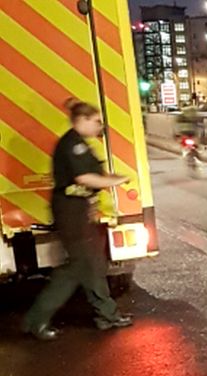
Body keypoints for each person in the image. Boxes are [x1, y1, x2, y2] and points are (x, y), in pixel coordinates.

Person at [21, 99, 133, 341]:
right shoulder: (73, 145)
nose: (99, 126)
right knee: (75, 269)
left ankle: (107, 315)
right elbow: (84, 178)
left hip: (79, 211)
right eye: (95, 122)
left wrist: (110, 179)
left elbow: (93, 175)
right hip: (71, 213)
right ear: (81, 121)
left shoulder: (80, 143)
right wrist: (115, 181)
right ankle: (36, 320)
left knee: (93, 263)